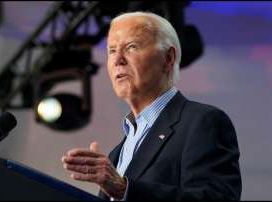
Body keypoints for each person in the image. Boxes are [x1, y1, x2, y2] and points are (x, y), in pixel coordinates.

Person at [61, 11, 242, 201]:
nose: (117, 60)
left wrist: (125, 189)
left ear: (168, 58)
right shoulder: (116, 153)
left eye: (131, 47)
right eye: (112, 51)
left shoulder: (202, 122)